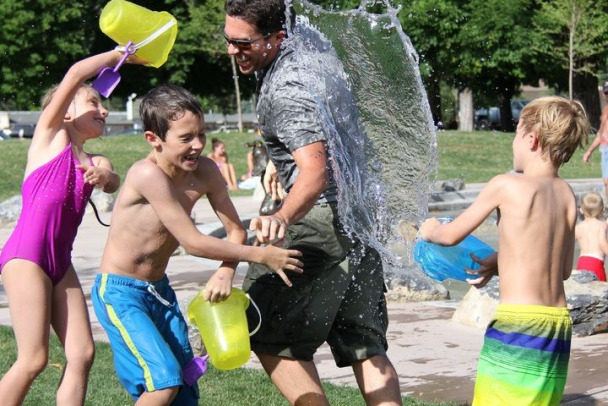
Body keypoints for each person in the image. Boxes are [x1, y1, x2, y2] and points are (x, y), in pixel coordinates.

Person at [223, 1, 403, 405]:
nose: (233, 51)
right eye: (228, 40)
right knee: (366, 345)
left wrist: (282, 214)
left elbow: (316, 172)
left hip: (317, 218)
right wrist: (276, 160)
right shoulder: (311, 46)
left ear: (276, 38)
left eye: (242, 43)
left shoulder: (287, 89)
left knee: (262, 328)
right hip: (360, 217)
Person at [91, 84, 303, 406]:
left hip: (158, 291)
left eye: (201, 134)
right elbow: (192, 242)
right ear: (154, 139)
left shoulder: (206, 171)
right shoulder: (147, 174)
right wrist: (260, 255)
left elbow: (235, 230)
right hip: (121, 292)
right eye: (186, 138)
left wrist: (227, 271)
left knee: (186, 387)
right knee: (163, 381)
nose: (198, 145)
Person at [419, 96, 590, 406]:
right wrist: (498, 261)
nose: (513, 144)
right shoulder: (567, 194)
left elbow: (450, 236)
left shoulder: (506, 185)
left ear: (531, 139)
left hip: (518, 324)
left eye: (515, 135)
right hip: (556, 327)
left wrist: (429, 229)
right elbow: (562, 269)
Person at [0, 50, 138, 405]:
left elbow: (112, 179)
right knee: (34, 359)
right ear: (65, 112)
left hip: (60, 264)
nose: (103, 109)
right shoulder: (50, 137)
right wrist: (118, 54)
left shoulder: (95, 159)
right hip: (26, 258)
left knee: (81, 354)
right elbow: (77, 72)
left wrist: (105, 176)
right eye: (94, 101)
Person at [574, 192, 608, 281]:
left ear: (581, 210)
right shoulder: (601, 226)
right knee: (600, 292)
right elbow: (603, 244)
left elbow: (567, 244)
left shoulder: (578, 227)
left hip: (581, 263)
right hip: (596, 264)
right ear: (602, 210)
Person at [582, 81, 608, 198]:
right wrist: (589, 151)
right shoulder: (606, 110)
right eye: (607, 93)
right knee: (606, 183)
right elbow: (600, 134)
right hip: (604, 149)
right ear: (603, 94)